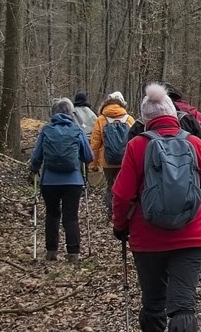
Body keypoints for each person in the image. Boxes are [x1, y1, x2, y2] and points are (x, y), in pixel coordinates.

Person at [112, 83, 201, 332]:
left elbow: (122, 196)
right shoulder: (196, 145)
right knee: (183, 303)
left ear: (145, 119)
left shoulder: (137, 147)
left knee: (153, 300)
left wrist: (120, 227)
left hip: (147, 240)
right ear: (173, 114)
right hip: (191, 238)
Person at [27, 96, 94, 259]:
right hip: (73, 181)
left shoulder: (46, 129)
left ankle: (51, 252)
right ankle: (73, 253)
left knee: (52, 214)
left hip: (49, 181)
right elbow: (88, 156)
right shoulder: (77, 130)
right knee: (71, 216)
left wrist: (33, 170)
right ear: (71, 113)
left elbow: (37, 156)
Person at [93, 91, 135, 189]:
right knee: (124, 187)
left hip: (107, 162)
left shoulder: (101, 120)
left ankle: (110, 204)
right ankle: (122, 204)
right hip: (125, 160)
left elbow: (95, 144)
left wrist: (93, 164)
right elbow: (135, 141)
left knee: (110, 187)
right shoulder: (129, 119)